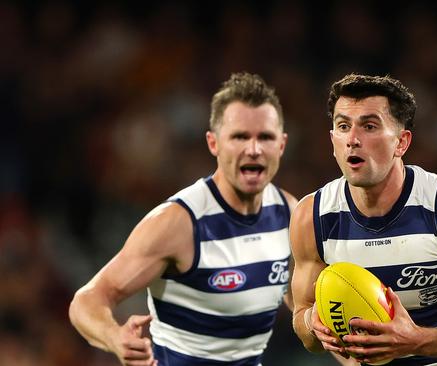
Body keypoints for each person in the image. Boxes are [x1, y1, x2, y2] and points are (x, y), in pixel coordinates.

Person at [290, 74, 437, 365]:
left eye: (369, 126)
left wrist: (417, 340)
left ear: (401, 142)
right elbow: (304, 324)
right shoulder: (311, 217)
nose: (353, 139)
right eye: (343, 126)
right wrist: (315, 323)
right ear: (333, 141)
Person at [69, 72, 297, 366]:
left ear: (281, 145)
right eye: (239, 136)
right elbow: (86, 300)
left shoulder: (288, 212)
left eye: (265, 137)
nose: (253, 149)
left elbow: (302, 305)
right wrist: (114, 337)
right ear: (213, 144)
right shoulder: (178, 223)